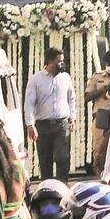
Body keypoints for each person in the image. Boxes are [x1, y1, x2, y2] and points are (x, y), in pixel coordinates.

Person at [23, 47, 76, 182]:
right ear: (50, 61)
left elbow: (71, 98)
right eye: (59, 62)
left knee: (62, 157)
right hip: (43, 126)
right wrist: (30, 125)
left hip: (62, 124)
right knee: (45, 160)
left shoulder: (65, 77)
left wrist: (72, 117)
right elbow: (29, 103)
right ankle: (47, 189)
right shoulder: (36, 80)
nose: (62, 64)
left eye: (63, 61)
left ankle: (62, 186)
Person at [85, 51, 110, 174]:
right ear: (106, 63)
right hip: (101, 117)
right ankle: (100, 175)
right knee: (99, 148)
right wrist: (104, 89)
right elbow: (87, 96)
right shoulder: (97, 76)